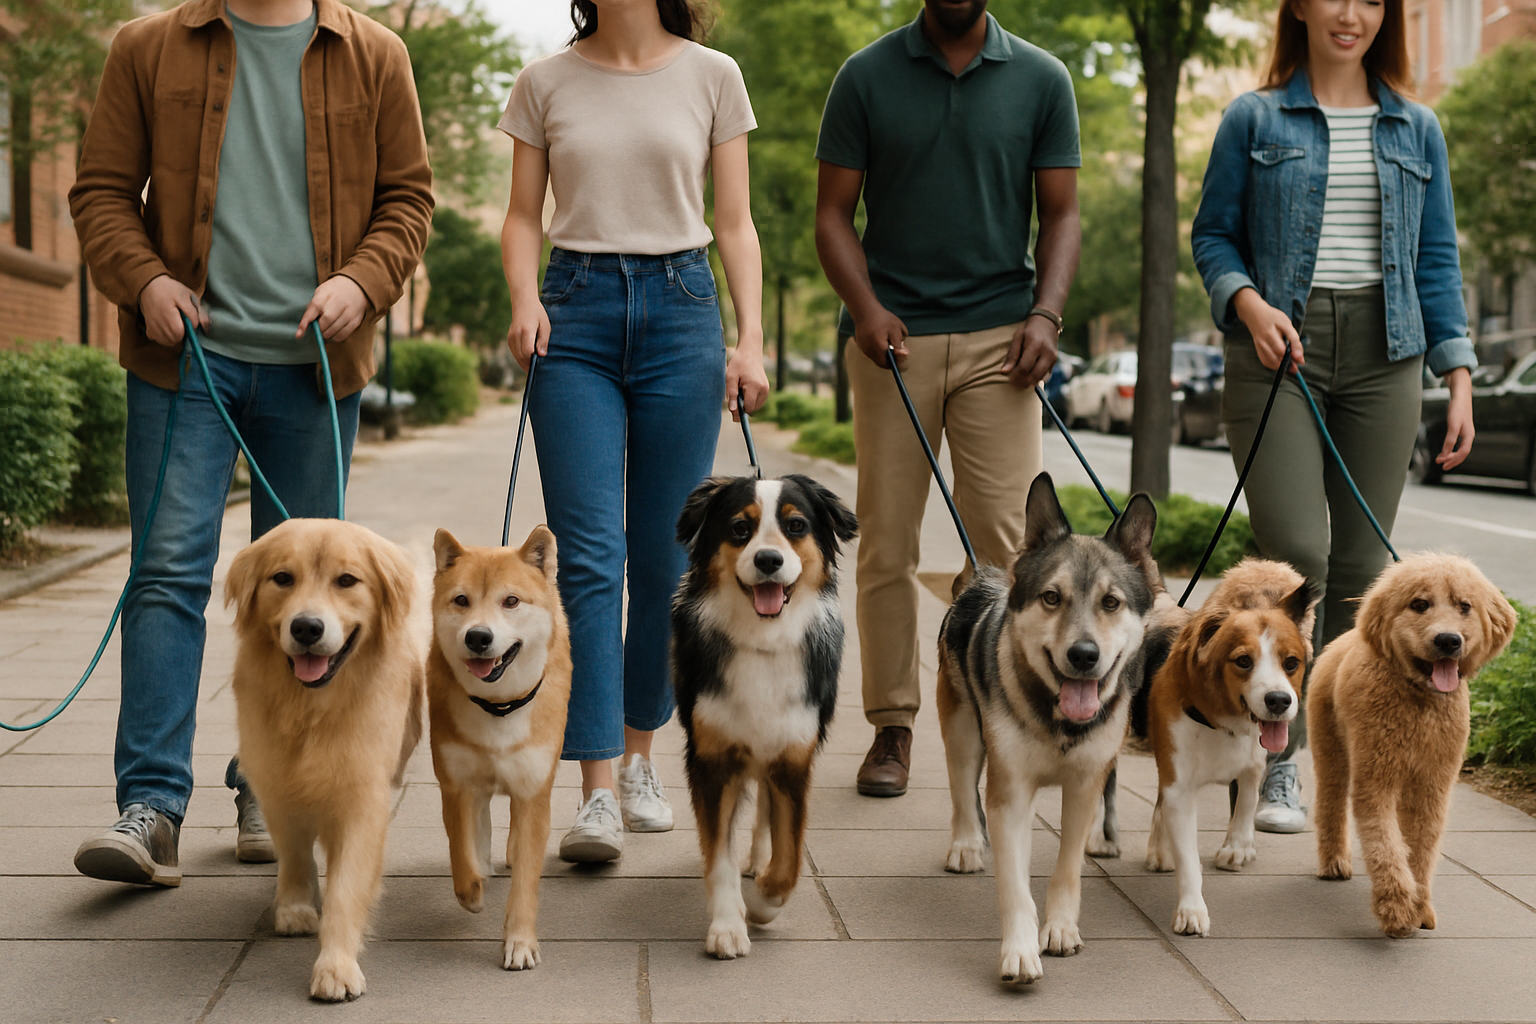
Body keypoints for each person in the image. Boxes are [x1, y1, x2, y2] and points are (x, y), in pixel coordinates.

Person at [67, 0, 433, 885]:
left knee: (309, 601)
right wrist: (146, 279)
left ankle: (266, 792)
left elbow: (408, 200)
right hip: (184, 360)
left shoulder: (375, 53)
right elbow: (101, 194)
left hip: (315, 367)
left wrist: (362, 279)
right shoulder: (147, 47)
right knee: (166, 572)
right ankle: (149, 807)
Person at [1191, 0, 1475, 832]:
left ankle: (1329, 765)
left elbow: (1435, 258)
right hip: (1279, 347)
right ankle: (1274, 761)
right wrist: (1247, 306)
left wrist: (1456, 374)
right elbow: (1213, 237)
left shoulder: (1416, 128)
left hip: (1392, 352)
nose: (1350, 13)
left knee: (1360, 567)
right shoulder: (1254, 116)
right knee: (1296, 558)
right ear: (1301, 9)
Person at [499, 0, 766, 862]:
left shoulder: (712, 76)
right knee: (586, 555)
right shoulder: (545, 80)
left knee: (663, 554)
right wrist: (523, 302)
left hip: (683, 311)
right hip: (572, 316)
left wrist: (750, 338)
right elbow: (520, 216)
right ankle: (598, 788)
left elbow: (734, 222)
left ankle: (643, 757)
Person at [815, 0, 1081, 797]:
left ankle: (1003, 716)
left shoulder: (1041, 78)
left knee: (1007, 551)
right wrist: (865, 310)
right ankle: (892, 728)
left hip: (1005, 342)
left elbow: (1062, 213)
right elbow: (832, 214)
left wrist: (1046, 314)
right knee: (888, 541)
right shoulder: (865, 76)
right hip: (890, 338)